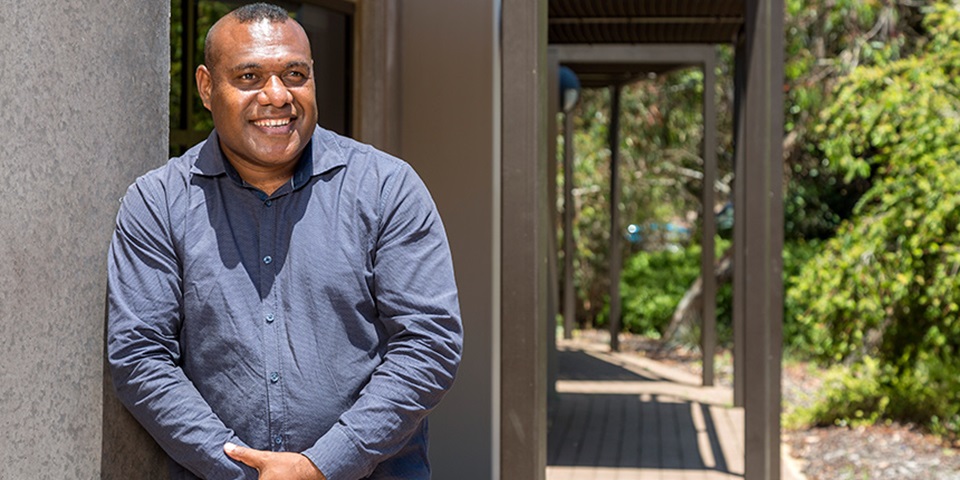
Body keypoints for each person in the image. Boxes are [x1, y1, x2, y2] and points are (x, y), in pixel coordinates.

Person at [106, 3, 463, 479]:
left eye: (295, 74)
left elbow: (429, 342)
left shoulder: (386, 188)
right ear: (207, 88)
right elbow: (139, 355)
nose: (277, 96)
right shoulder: (158, 203)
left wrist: (324, 463)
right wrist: (238, 466)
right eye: (250, 76)